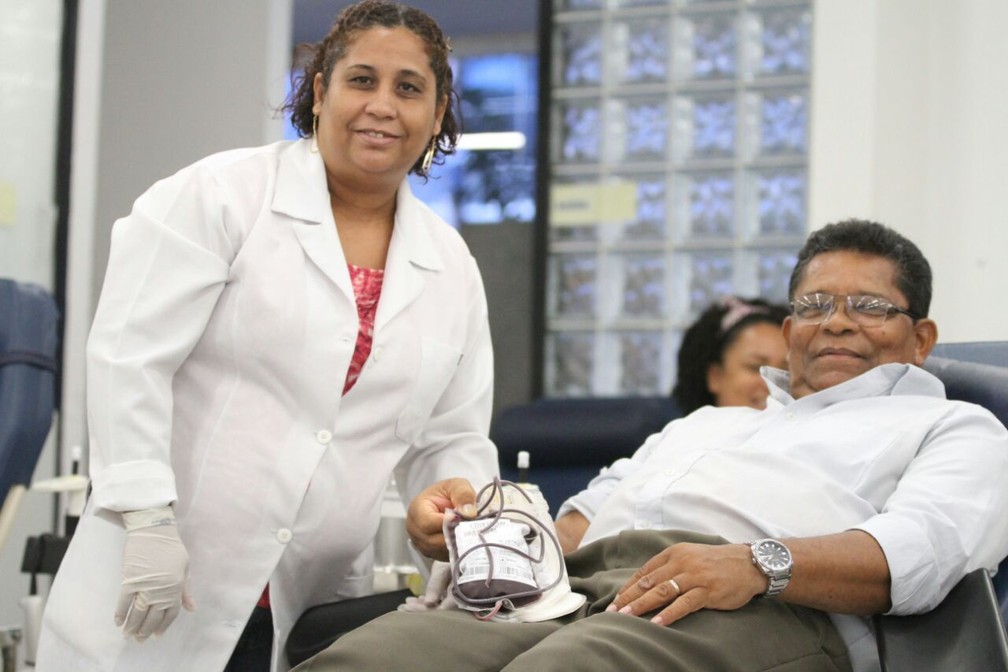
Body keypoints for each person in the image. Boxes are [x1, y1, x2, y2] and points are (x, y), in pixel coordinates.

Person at [294, 219, 1008, 672]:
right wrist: (474, 530)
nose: (837, 323)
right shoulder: (711, 423)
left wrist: (756, 564)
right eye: (814, 305)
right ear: (789, 333)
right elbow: (576, 523)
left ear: (921, 339)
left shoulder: (955, 427)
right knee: (368, 658)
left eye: (871, 307)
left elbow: (923, 550)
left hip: (757, 610)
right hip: (572, 593)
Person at [34, 2, 497, 671]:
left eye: (409, 88)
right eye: (361, 80)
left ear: (437, 109)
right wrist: (146, 518)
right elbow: (129, 358)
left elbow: (450, 436)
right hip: (161, 586)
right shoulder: (222, 197)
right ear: (319, 90)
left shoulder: (450, 264)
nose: (383, 106)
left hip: (307, 611)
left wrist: (449, 506)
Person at [672, 296, 789, 413]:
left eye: (784, 371)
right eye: (756, 367)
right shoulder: (679, 430)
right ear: (715, 376)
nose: (773, 384)